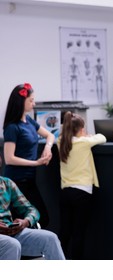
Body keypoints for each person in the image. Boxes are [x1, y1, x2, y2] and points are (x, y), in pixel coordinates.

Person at [3, 83, 55, 229]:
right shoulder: (12, 127)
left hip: (29, 180)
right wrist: (36, 163)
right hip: (16, 183)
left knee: (41, 218)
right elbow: (9, 158)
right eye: (31, 100)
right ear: (21, 102)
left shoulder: (29, 121)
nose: (34, 103)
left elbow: (50, 135)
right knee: (22, 222)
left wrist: (48, 148)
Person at [58, 111, 107, 259]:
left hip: (65, 192)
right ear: (80, 130)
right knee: (78, 233)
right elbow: (102, 137)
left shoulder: (61, 141)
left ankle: (59, 260)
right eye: (84, 129)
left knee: (65, 232)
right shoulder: (84, 142)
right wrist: (89, 136)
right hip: (82, 192)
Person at [0, 159, 65, 260]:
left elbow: (31, 210)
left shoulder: (7, 183)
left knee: (50, 238)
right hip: (7, 241)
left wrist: (25, 222)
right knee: (12, 245)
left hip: (11, 232)